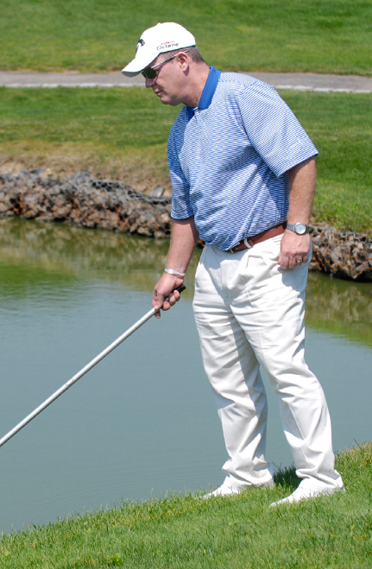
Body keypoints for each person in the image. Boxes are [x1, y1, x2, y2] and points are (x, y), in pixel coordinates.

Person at [122, 22, 344, 506]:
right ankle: (246, 475)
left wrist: (298, 229)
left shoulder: (246, 96)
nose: (149, 84)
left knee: (284, 367)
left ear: (182, 59)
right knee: (228, 377)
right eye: (142, 77)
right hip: (215, 265)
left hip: (268, 253)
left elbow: (300, 161)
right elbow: (186, 214)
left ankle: (321, 479)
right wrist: (173, 273)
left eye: (152, 72)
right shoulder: (181, 129)